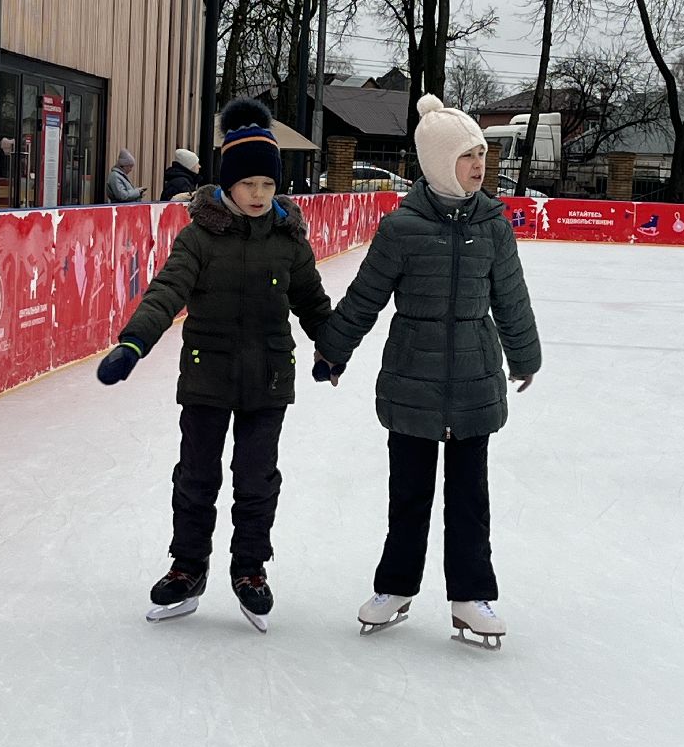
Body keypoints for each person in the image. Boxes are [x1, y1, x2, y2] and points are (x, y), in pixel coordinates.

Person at [314, 94, 541, 649]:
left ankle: (471, 595)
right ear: (440, 162)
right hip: (412, 381)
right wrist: (333, 352)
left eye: (482, 155)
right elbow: (365, 297)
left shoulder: (493, 226)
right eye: (468, 156)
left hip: (473, 382)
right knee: (408, 496)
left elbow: (511, 298)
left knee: (470, 499)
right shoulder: (402, 228)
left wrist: (525, 355)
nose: (479, 165)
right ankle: (395, 587)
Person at [96, 98, 332, 629]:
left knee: (256, 478)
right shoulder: (200, 236)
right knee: (196, 477)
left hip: (268, 378)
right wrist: (134, 343)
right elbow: (166, 291)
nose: (258, 194)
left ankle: (250, 569)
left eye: (268, 185)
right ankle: (187, 568)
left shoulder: (288, 241)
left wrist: (330, 348)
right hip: (207, 376)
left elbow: (313, 302)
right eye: (248, 184)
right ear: (227, 183)